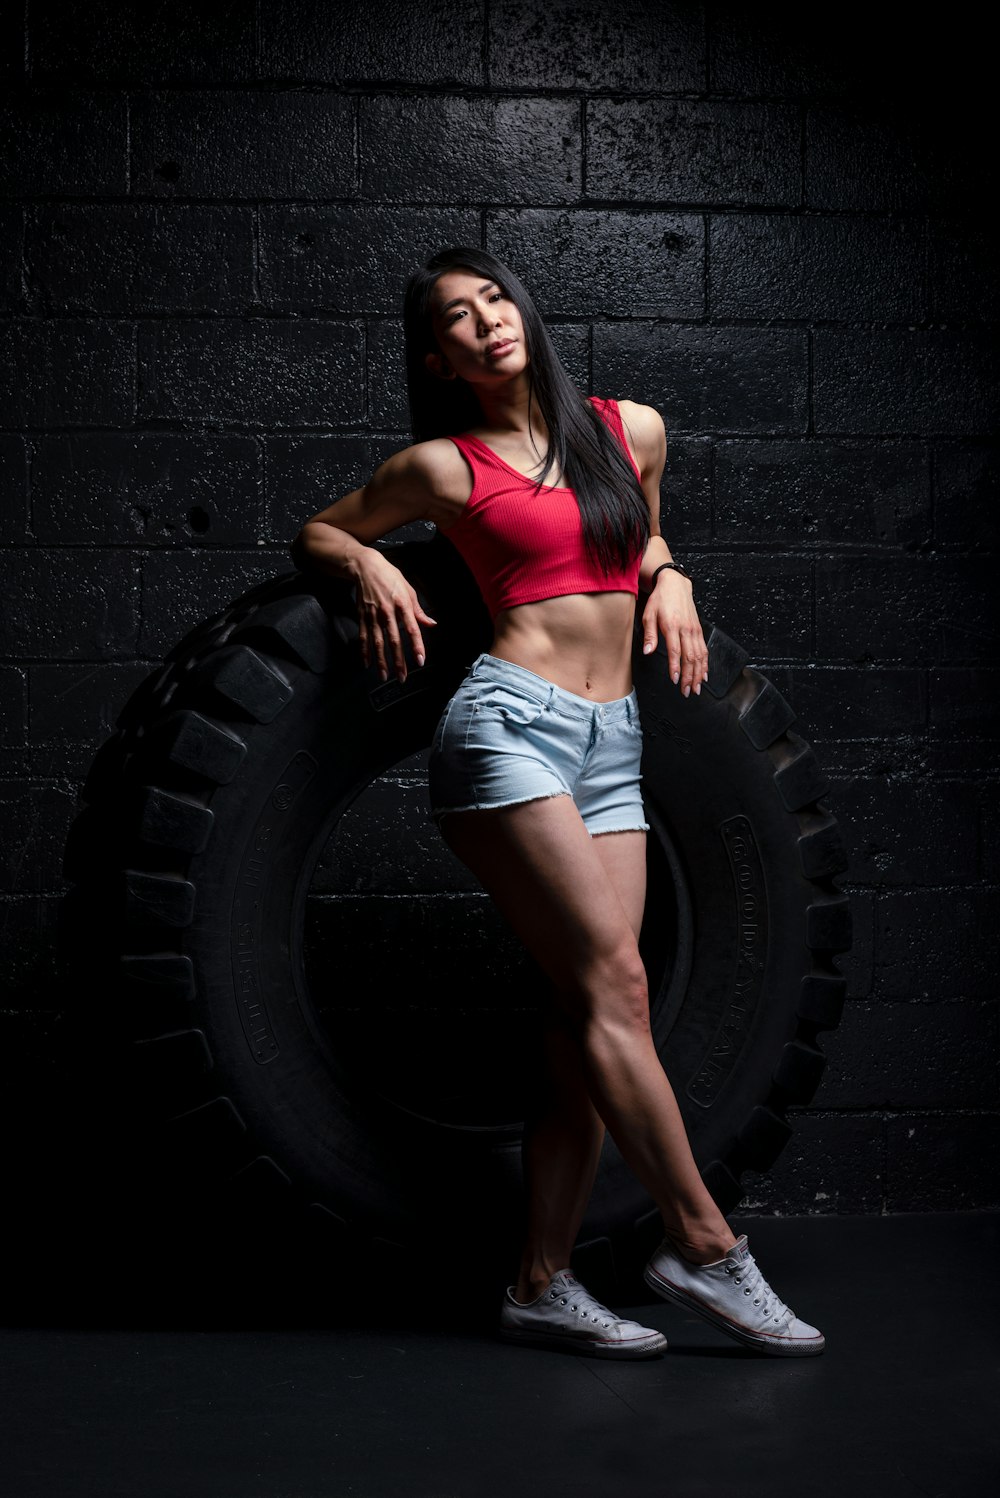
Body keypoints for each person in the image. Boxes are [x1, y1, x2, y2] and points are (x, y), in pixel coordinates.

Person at [290, 247, 824, 1360]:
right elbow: (323, 528)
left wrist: (670, 577)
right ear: (437, 357)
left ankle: (538, 1279)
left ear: (521, 311)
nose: (485, 322)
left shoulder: (629, 430)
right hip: (511, 730)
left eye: (494, 298)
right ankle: (704, 1242)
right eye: (455, 318)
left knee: (587, 1022)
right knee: (615, 984)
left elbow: (643, 533)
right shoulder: (443, 467)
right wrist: (368, 566)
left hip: (614, 745)